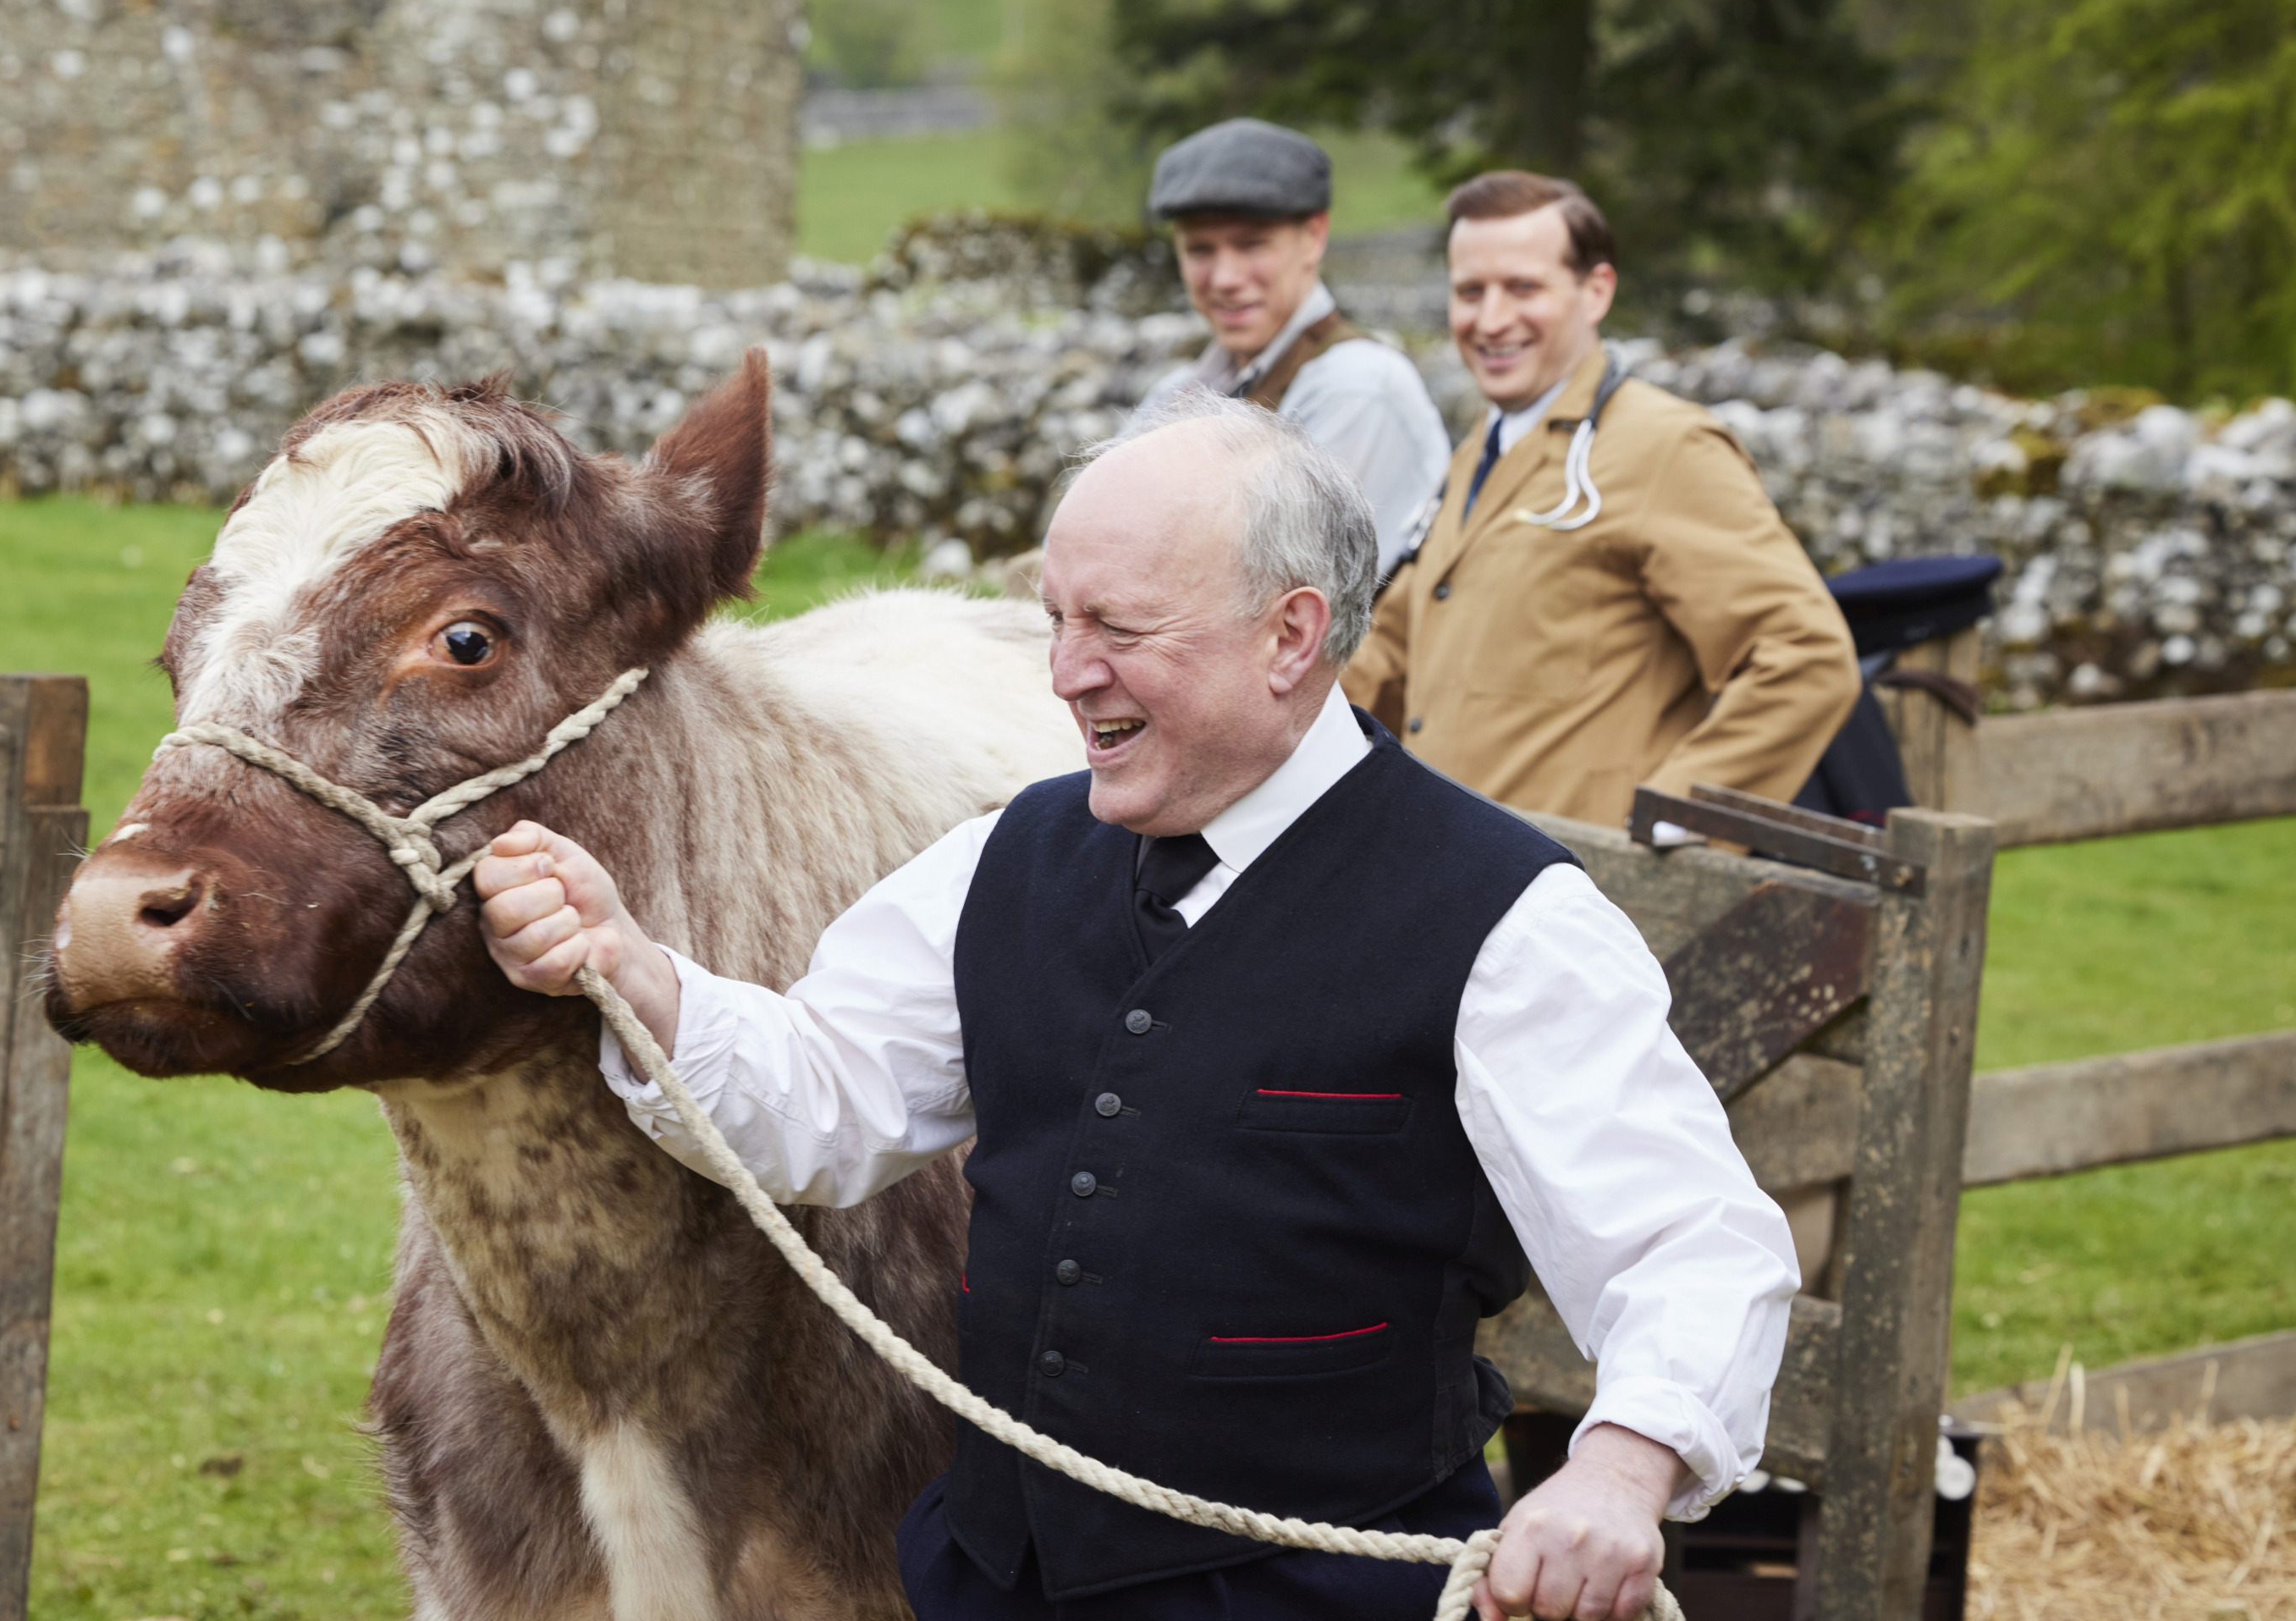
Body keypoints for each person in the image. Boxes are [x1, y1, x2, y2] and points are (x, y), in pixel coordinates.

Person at [473, 389, 1798, 1621]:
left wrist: (1622, 1470)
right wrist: (638, 970)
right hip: (993, 1578)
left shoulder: (1505, 919)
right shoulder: (1010, 858)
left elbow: (1692, 1243)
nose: (1064, 669)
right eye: (1057, 617)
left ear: (1290, 635)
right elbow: (826, 1092)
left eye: (1118, 627)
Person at [1344, 172, 1858, 830]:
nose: (1492, 318)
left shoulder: (1664, 446)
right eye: (1471, 291)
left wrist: (1671, 819)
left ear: (1596, 291)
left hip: (1576, 900)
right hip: (1450, 885)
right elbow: (1393, 654)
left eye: (1523, 287)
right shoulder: (1480, 450)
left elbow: (1805, 655)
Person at [1143, 118, 1454, 580]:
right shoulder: (1176, 393)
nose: (1225, 279)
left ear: (1314, 238)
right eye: (1200, 250)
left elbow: (1260, 584)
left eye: (1252, 246)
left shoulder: (1357, 388)